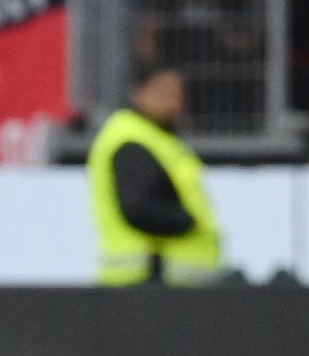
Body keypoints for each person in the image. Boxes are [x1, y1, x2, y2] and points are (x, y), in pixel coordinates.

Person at [86, 57, 221, 286]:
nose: (174, 100)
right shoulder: (132, 138)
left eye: (179, 92)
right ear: (139, 92)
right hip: (150, 279)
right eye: (164, 90)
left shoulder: (158, 138)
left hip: (162, 281)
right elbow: (139, 206)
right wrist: (186, 222)